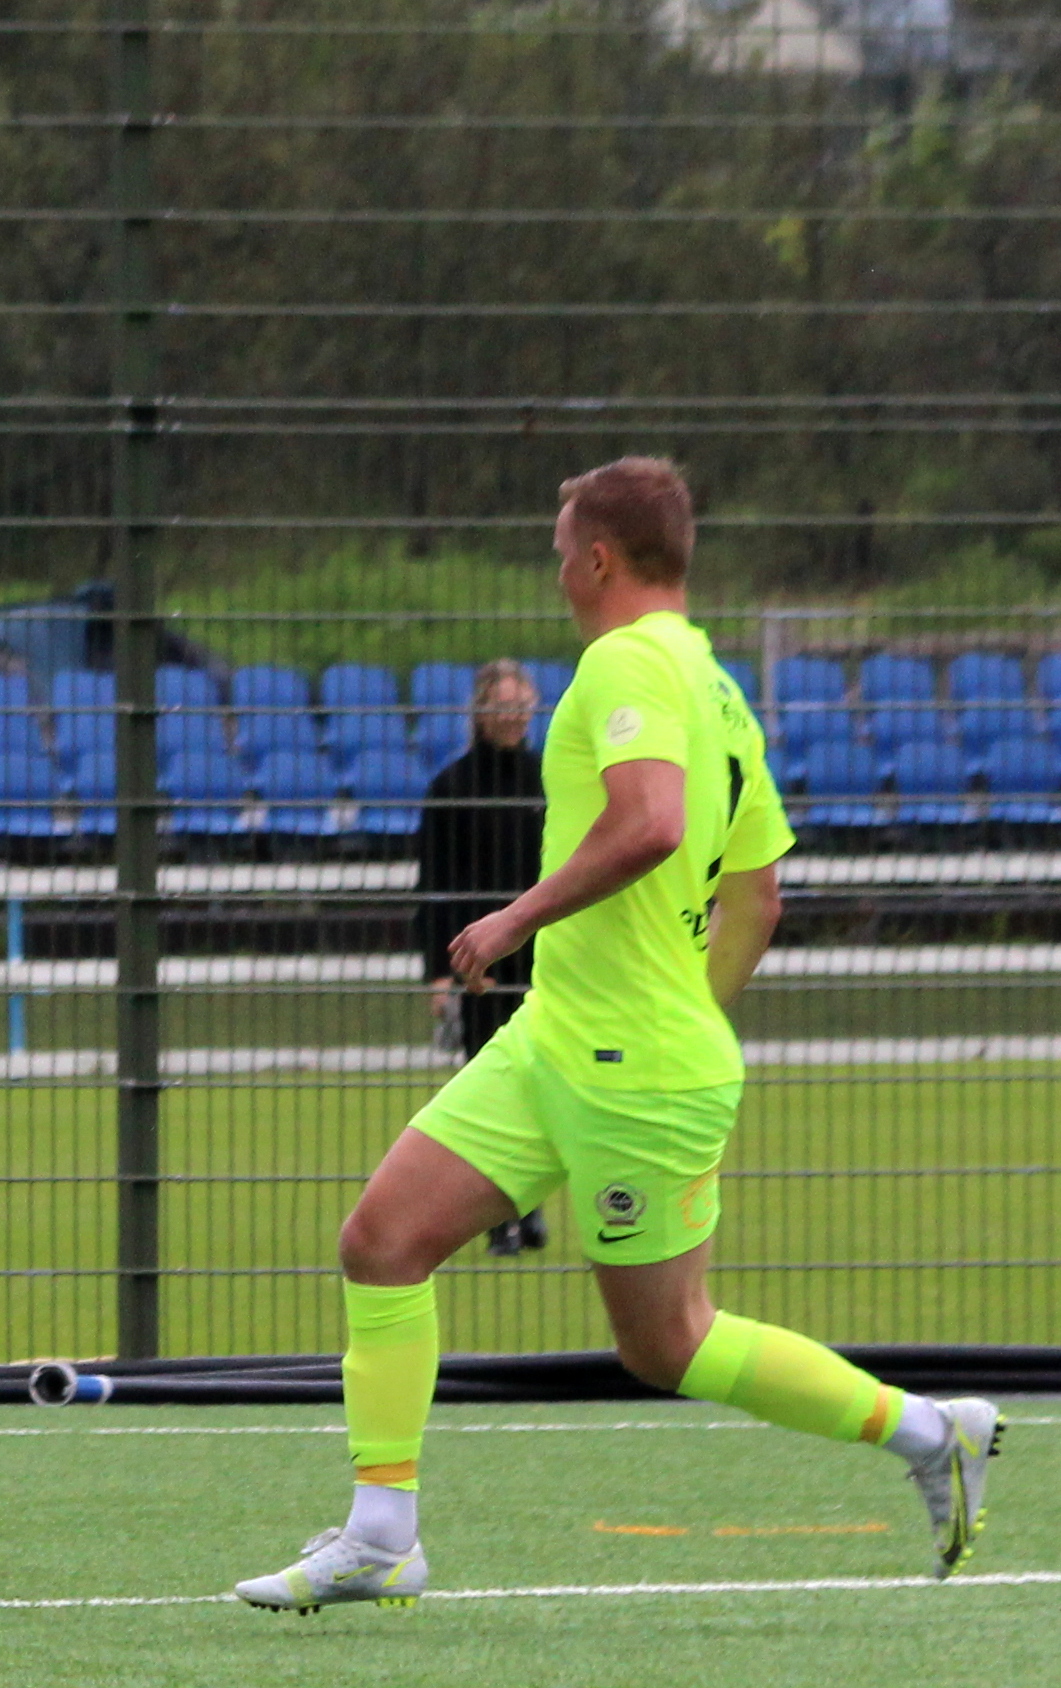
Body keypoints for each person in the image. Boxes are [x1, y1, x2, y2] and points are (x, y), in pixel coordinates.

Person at [236, 459, 999, 1611]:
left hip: (629, 1064)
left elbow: (650, 825)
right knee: (381, 1241)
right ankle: (382, 1535)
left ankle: (934, 1430)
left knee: (668, 1344)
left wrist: (516, 920)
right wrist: (687, 1004)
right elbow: (758, 897)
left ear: (598, 558)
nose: (556, 572)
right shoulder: (719, 689)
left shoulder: (624, 661)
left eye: (560, 551)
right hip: (556, 1037)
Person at [417, 658, 548, 1255]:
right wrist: (439, 974)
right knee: (491, 1096)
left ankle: (529, 1205)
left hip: (543, 964)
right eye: (502, 704)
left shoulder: (550, 780)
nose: (513, 715)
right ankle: (499, 1224)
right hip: (479, 966)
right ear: (480, 711)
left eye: (522, 704)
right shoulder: (450, 788)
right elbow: (434, 888)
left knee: (542, 1089)